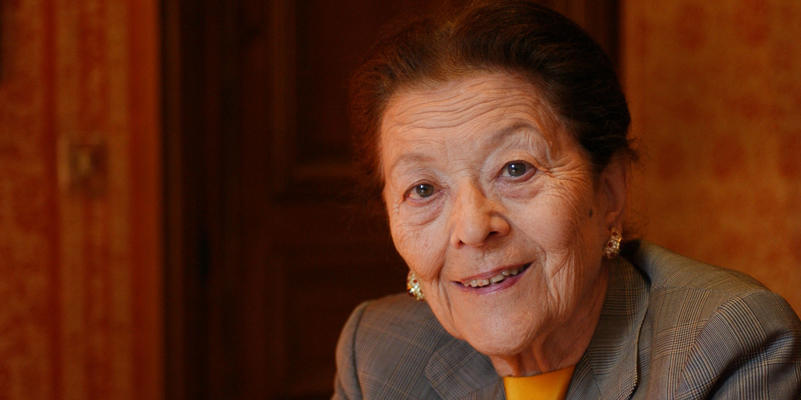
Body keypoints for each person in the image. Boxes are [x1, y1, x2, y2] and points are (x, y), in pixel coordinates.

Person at [333, 1, 801, 398]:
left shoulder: (725, 345)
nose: (473, 228)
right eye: (423, 190)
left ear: (609, 189)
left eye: (516, 169)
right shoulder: (378, 352)